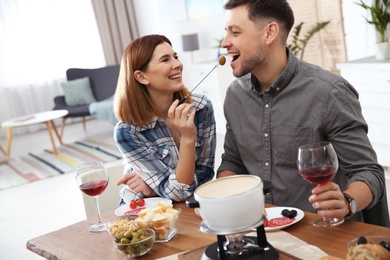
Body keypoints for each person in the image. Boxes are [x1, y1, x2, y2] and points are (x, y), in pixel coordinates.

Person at [217, 0, 386, 223]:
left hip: (322, 233)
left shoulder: (328, 92)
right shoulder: (235, 96)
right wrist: (219, 195)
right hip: (260, 228)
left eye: (235, 32)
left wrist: (346, 200)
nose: (225, 43)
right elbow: (233, 162)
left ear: (269, 33)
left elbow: (368, 171)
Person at [113, 34, 216, 205]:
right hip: (143, 209)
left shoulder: (201, 108)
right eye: (165, 60)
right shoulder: (127, 132)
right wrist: (188, 138)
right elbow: (178, 192)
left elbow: (205, 172)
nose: (178, 64)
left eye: (175, 57)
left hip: (189, 205)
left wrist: (158, 188)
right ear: (141, 77)